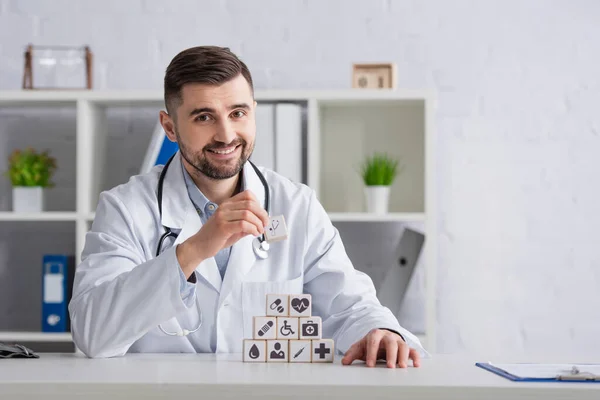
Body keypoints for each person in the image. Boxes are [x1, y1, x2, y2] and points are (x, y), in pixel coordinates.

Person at [68, 46, 428, 368]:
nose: (226, 135)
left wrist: (380, 331)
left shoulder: (297, 205)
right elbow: (92, 333)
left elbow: (350, 306)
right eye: (203, 117)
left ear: (253, 112)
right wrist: (193, 251)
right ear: (170, 127)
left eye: (238, 113)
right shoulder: (127, 208)